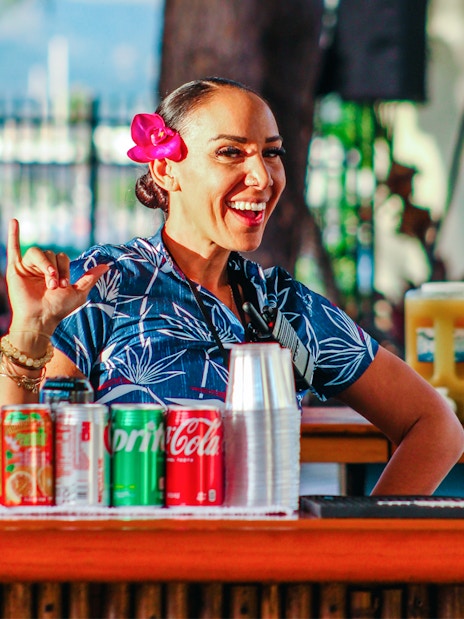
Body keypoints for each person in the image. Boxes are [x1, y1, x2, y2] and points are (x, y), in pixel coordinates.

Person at [1, 77, 463, 495]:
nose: (262, 176)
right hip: (126, 574)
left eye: (272, 152)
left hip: (261, 577)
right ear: (165, 170)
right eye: (231, 152)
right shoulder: (101, 284)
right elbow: (25, 469)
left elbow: (436, 426)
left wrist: (362, 549)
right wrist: (30, 329)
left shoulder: (283, 307)